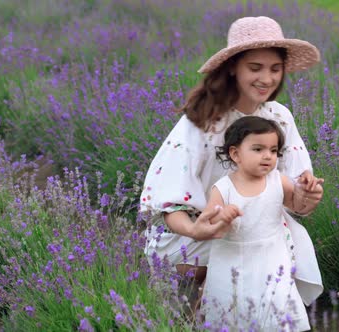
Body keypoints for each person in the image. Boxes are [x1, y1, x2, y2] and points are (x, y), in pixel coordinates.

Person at [139, 15, 324, 309]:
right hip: (197, 232)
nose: (267, 78)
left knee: (276, 248)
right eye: (255, 68)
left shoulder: (279, 118)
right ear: (232, 69)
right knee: (240, 261)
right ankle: (204, 310)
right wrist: (195, 230)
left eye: (276, 69)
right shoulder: (202, 122)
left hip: (258, 230)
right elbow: (169, 205)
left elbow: (295, 199)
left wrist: (307, 197)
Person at [202, 116, 320, 331]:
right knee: (233, 306)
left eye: (273, 151)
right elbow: (211, 224)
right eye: (258, 149)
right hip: (232, 260)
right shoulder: (223, 188)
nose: (268, 156)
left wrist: (305, 191)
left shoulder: (278, 180)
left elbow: (296, 204)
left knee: (277, 304)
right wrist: (223, 217)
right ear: (235, 154)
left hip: (272, 256)